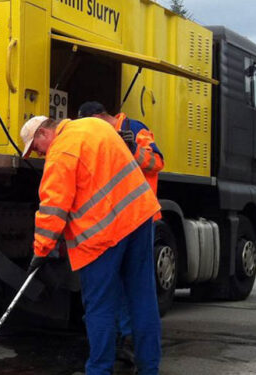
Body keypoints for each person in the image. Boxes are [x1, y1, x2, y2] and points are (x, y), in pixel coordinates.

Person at [21, 115, 162, 375]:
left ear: (43, 132)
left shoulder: (61, 151)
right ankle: (149, 368)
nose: (39, 153)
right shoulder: (96, 126)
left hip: (102, 237)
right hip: (139, 218)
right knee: (143, 298)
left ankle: (99, 370)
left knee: (100, 307)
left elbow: (53, 208)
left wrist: (40, 250)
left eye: (36, 147)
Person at [78, 101, 165, 368]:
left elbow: (156, 162)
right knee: (123, 289)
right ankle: (127, 344)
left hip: (139, 218)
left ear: (96, 118)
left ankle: (128, 342)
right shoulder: (98, 137)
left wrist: (132, 149)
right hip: (113, 221)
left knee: (134, 291)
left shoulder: (134, 129)